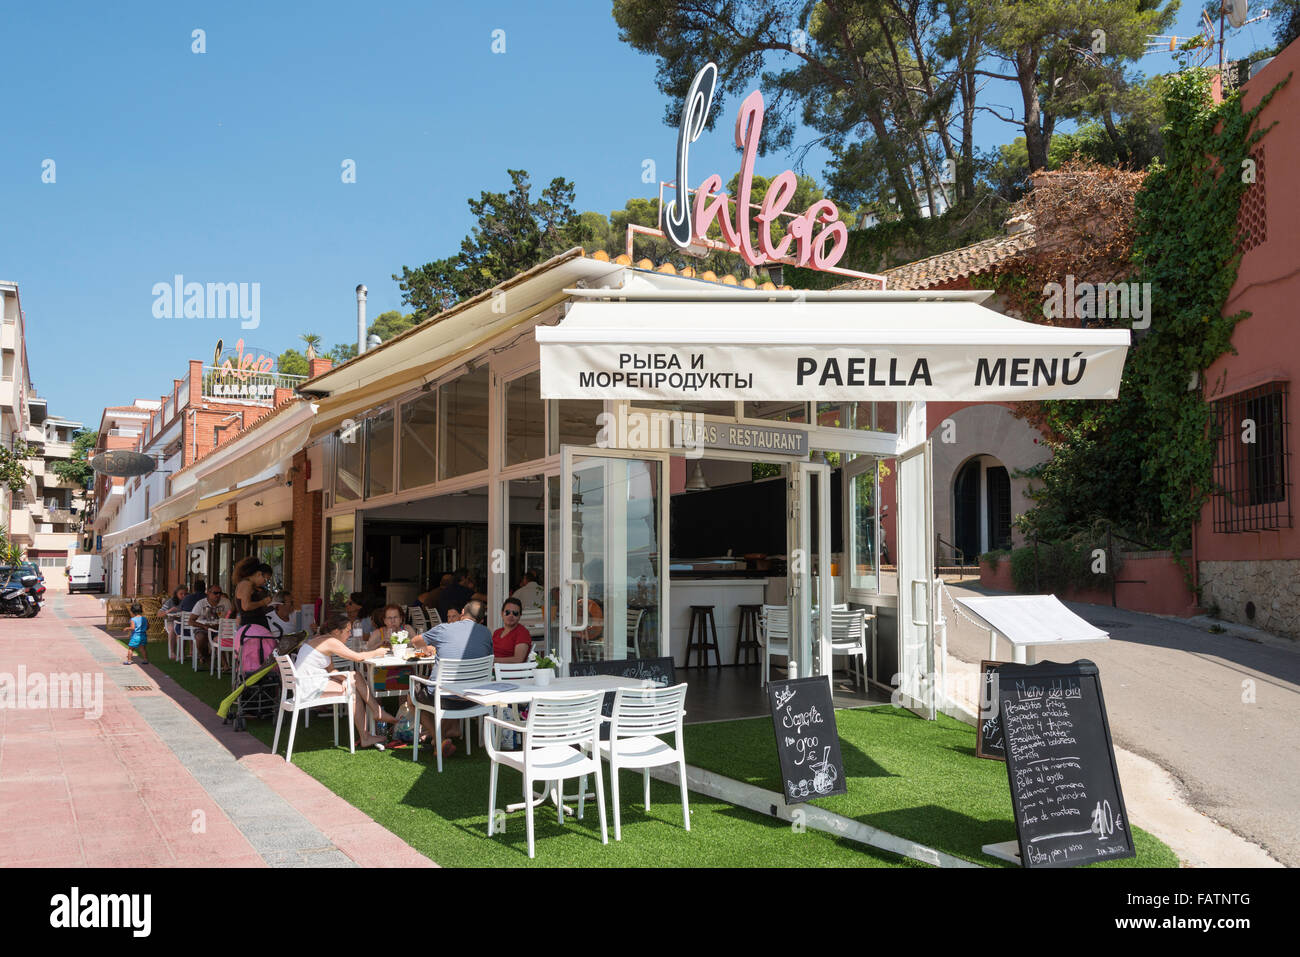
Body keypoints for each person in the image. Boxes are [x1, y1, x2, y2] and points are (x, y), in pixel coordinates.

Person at [293, 613, 398, 750]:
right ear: (337, 631)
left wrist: (345, 679)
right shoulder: (330, 641)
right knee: (353, 690)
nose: (350, 634)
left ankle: (376, 715)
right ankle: (369, 729)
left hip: (308, 683)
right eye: (348, 631)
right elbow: (358, 657)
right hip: (310, 686)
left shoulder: (322, 639)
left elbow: (331, 671)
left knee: (355, 677)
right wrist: (377, 652)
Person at [409, 599, 493, 758]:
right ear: (481, 620)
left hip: (444, 699)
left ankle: (439, 738)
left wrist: (428, 647)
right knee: (439, 686)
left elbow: (415, 642)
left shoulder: (444, 629)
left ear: (462, 612)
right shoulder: (486, 633)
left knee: (412, 694)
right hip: (474, 699)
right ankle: (446, 733)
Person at [188, 584, 232, 667]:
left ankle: (225, 664)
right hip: (203, 628)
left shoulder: (226, 602)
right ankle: (206, 656)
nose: (218, 595)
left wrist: (223, 625)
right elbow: (190, 621)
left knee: (222, 636)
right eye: (215, 593)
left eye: (220, 593)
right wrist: (204, 626)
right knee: (200, 638)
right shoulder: (201, 603)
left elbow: (231, 616)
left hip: (220, 628)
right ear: (208, 593)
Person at [492, 597, 533, 663]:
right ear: (502, 614)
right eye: (507, 612)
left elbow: (518, 659)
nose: (511, 615)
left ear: (520, 616)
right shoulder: (497, 632)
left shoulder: (522, 633)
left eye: (515, 613)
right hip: (491, 670)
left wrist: (492, 661)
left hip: (508, 672)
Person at [160, 586, 187, 660]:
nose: (183, 596)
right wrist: (169, 610)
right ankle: (172, 652)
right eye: (181, 594)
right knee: (173, 630)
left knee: (183, 631)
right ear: (176, 594)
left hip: (183, 621)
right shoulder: (170, 601)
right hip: (171, 620)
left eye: (185, 594)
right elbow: (159, 614)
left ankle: (182, 653)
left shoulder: (188, 601)